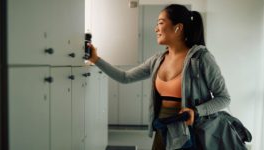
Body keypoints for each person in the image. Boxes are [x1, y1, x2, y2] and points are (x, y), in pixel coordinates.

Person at [87, 4, 230, 150]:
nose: (156, 29)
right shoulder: (157, 60)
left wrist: (196, 111)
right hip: (163, 127)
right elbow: (125, 77)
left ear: (178, 28)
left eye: (161, 23)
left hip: (189, 130)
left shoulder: (201, 58)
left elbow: (224, 98)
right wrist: (96, 59)